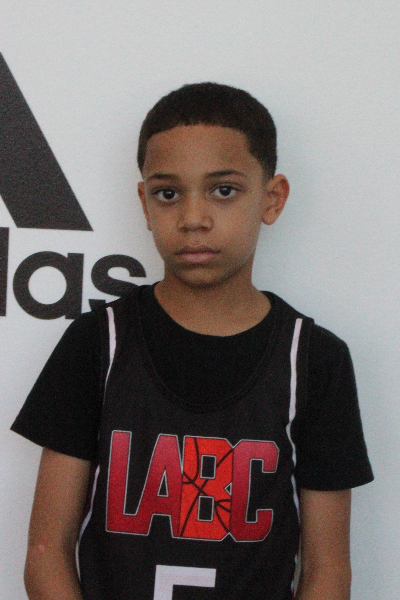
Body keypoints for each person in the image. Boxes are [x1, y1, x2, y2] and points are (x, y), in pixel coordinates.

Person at [12, 82, 373, 600]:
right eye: (168, 193)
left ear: (272, 198)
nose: (193, 219)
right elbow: (46, 551)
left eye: (223, 190)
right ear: (145, 203)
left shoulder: (316, 360)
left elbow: (327, 570)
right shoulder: (95, 343)